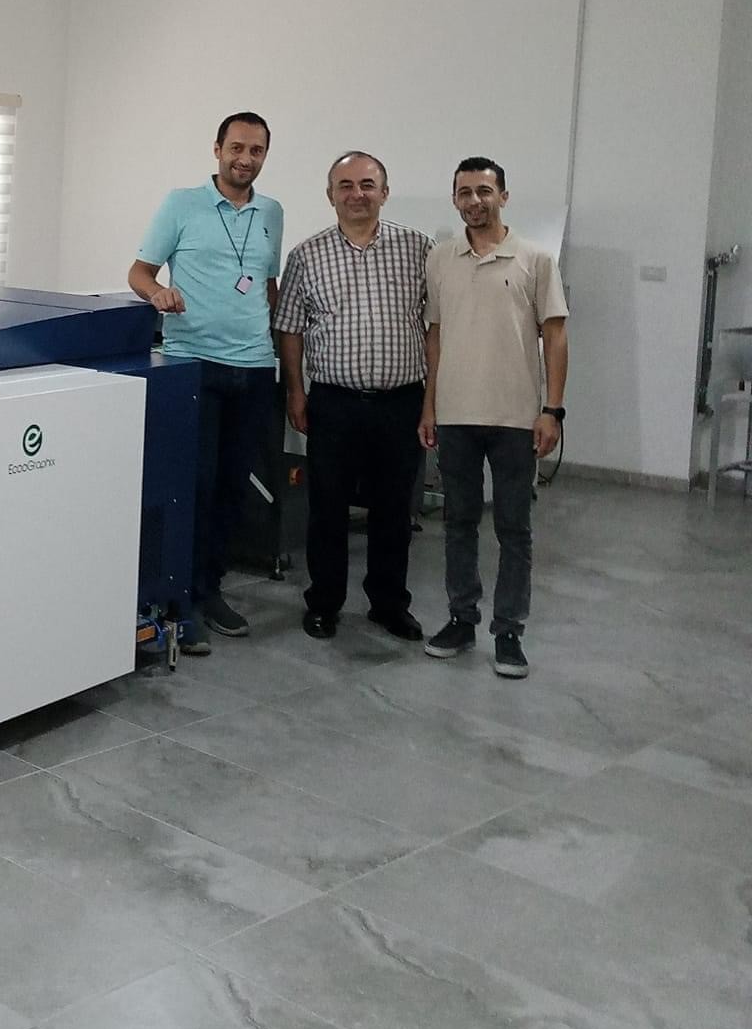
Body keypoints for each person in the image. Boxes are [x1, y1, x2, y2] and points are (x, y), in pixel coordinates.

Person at [129, 111, 283, 653]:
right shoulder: (181, 204)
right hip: (193, 362)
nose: (245, 158)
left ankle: (209, 589)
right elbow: (140, 271)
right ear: (217, 149)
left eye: (256, 150)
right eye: (236, 147)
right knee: (193, 484)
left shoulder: (272, 212)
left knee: (233, 488)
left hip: (255, 367)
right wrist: (157, 294)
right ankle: (179, 601)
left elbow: (265, 284)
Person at [419, 158, 569, 680]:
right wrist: (430, 405)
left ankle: (508, 631)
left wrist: (552, 410)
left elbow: (555, 335)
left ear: (503, 196)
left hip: (515, 418)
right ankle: (462, 619)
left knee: (513, 528)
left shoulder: (534, 259)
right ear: (454, 199)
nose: (474, 201)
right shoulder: (440, 258)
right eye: (464, 192)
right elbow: (435, 335)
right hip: (456, 415)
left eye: (484, 191)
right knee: (458, 522)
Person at [275, 152, 430, 642]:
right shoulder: (306, 256)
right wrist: (296, 391)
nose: (357, 194)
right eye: (345, 185)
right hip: (334, 403)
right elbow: (290, 329)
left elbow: (437, 326)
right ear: (330, 195)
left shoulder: (419, 249)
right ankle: (324, 602)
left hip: (401, 402)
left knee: (394, 510)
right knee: (327, 508)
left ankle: (389, 604)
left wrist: (433, 401)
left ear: (384, 192)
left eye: (367, 184)